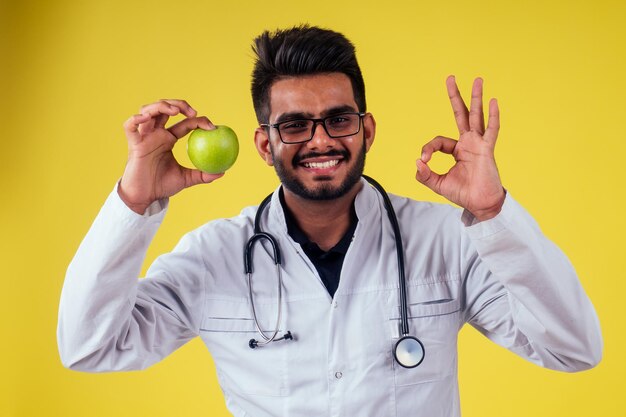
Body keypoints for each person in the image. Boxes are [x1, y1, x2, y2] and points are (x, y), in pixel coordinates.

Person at [57, 25, 602, 416]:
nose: (320, 140)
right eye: (293, 124)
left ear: (366, 130)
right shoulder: (214, 256)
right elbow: (88, 347)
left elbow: (572, 349)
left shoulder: (445, 242)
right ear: (264, 145)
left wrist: (492, 212)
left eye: (338, 119)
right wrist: (133, 201)